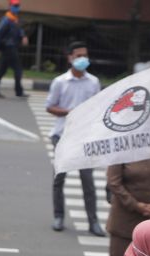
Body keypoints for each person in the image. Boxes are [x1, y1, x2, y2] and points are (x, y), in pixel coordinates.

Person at [46, 41, 104, 237]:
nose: (82, 59)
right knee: (59, 178)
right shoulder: (60, 82)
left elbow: (98, 107)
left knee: (87, 181)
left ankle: (93, 221)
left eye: (85, 55)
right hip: (62, 136)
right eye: (78, 55)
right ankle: (59, 216)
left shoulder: (93, 82)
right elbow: (50, 106)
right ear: (70, 58)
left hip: (85, 139)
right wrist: (71, 112)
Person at [0, 0, 29, 98]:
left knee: (2, 70)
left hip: (11, 47)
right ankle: (19, 92)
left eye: (18, 5)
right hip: (8, 48)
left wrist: (23, 36)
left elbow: (19, 30)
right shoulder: (6, 20)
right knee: (18, 70)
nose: (17, 7)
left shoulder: (14, 19)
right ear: (10, 6)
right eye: (15, 5)